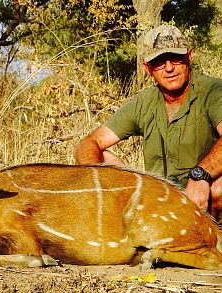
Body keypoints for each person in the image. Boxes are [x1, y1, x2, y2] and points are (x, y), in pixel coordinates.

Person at [74, 24, 222, 221]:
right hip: (158, 195)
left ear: (189, 56)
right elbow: (87, 143)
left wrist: (201, 175)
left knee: (220, 188)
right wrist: (95, 183)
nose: (169, 68)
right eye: (159, 62)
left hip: (202, 195)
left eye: (175, 58)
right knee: (99, 156)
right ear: (148, 68)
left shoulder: (212, 90)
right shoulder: (144, 101)